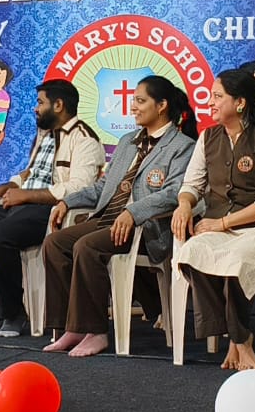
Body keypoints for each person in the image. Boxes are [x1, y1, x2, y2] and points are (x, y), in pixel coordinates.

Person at [0, 79, 105, 338]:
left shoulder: (85, 139)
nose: (36, 108)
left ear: (58, 105)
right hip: (19, 203)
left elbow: (79, 188)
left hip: (49, 209)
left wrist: (26, 195)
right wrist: (9, 185)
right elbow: (31, 172)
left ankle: (13, 313)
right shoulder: (45, 134)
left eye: (40, 102)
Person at [42, 75, 197, 357]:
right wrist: (67, 201)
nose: (132, 107)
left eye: (140, 100)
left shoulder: (182, 146)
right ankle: (71, 326)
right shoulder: (128, 142)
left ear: (161, 105)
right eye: (133, 100)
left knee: (87, 246)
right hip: (109, 219)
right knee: (55, 243)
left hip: (145, 228)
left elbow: (174, 192)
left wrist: (133, 212)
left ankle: (96, 331)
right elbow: (104, 187)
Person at [171, 68, 255, 370]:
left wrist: (221, 224)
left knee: (236, 260)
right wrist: (184, 204)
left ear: (240, 102)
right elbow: (192, 184)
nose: (210, 102)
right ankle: (240, 338)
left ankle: (238, 340)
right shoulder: (208, 137)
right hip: (221, 229)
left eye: (218, 96)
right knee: (191, 254)